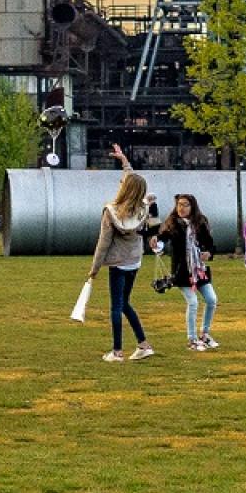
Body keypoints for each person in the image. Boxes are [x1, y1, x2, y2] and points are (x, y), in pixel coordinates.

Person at [89, 144, 154, 363]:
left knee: (116, 307)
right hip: (135, 261)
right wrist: (124, 161)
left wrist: (94, 268)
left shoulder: (112, 212)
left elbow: (103, 243)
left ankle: (117, 351)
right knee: (125, 303)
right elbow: (133, 180)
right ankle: (143, 344)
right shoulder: (142, 208)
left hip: (118, 263)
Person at [158, 193, 219, 352]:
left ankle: (204, 335)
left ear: (192, 207)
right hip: (182, 272)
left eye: (186, 205)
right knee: (193, 303)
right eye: (179, 204)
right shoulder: (173, 223)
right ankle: (192, 339)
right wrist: (156, 243)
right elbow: (162, 238)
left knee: (212, 299)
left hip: (199, 270)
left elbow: (210, 244)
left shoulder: (200, 222)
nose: (182, 208)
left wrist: (208, 253)